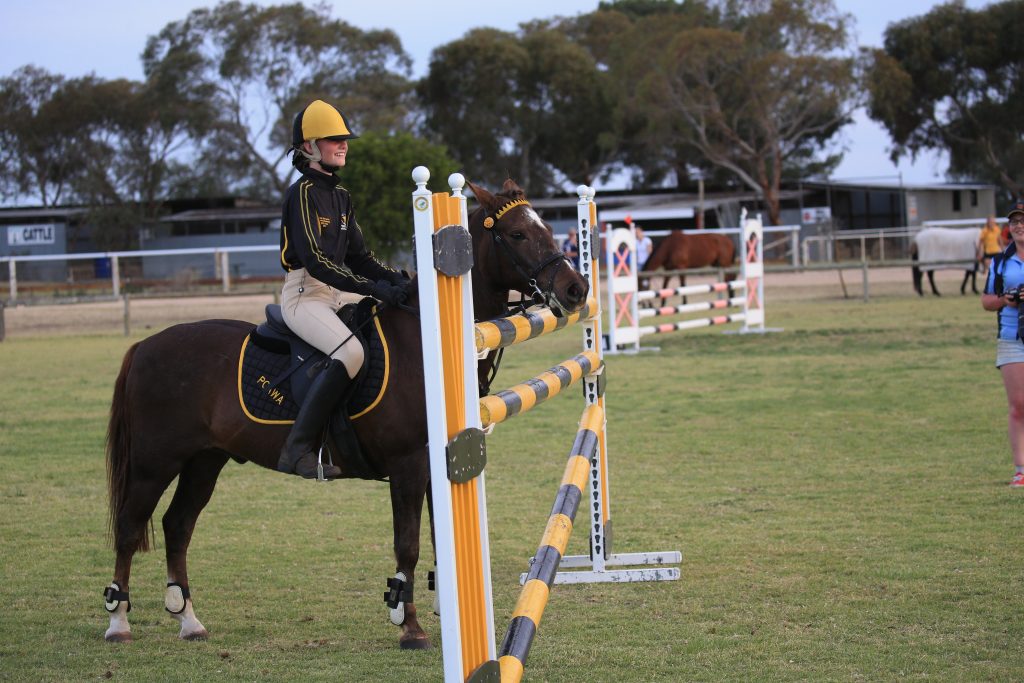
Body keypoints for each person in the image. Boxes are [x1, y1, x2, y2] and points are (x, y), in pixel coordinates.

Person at [276, 99, 409, 480]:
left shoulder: (342, 197)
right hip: (305, 295)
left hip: (339, 291)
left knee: (392, 321)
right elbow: (317, 261)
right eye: (334, 139)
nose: (343, 145)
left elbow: (361, 258)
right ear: (309, 147)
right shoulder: (300, 194)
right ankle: (297, 449)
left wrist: (399, 281)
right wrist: (373, 288)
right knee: (350, 352)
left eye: (344, 139)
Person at [982, 199, 1024, 488]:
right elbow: (986, 301)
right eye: (1015, 222)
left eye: (1023, 221)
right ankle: (1021, 470)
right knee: (1018, 406)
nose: (1019, 225)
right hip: (1012, 338)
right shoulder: (999, 262)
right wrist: (1005, 299)